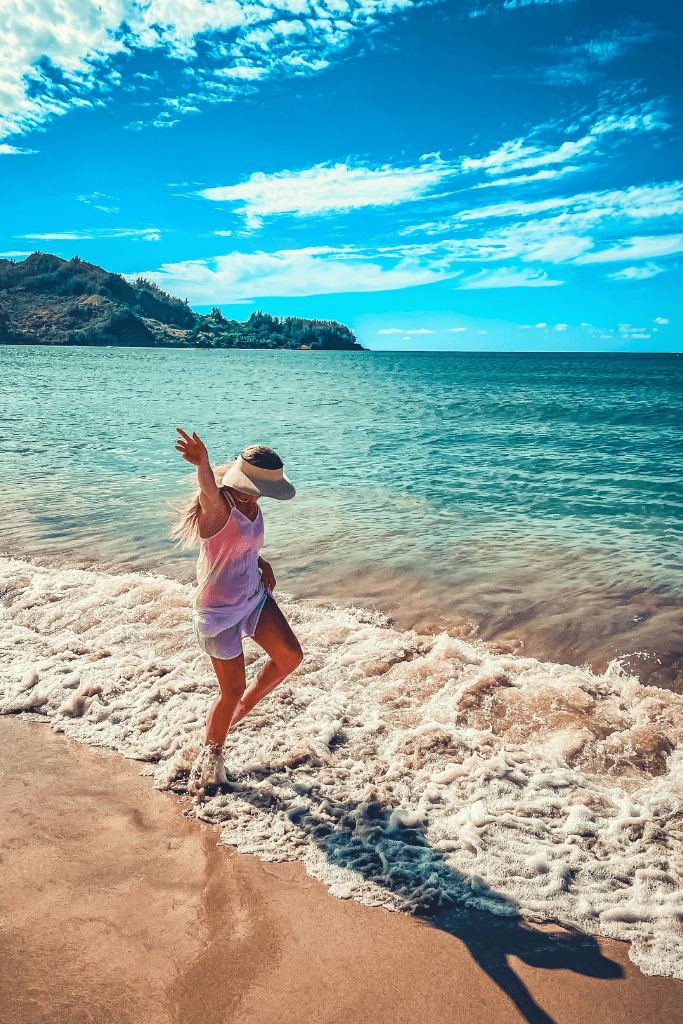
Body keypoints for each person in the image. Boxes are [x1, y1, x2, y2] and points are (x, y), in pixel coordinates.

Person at [172, 428, 303, 786]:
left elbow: (241, 547)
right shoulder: (217, 507)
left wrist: (262, 563)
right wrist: (203, 463)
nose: (264, 498)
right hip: (219, 613)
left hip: (254, 597)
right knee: (229, 690)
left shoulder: (252, 504)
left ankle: (239, 711)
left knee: (290, 656)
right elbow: (207, 490)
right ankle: (209, 765)